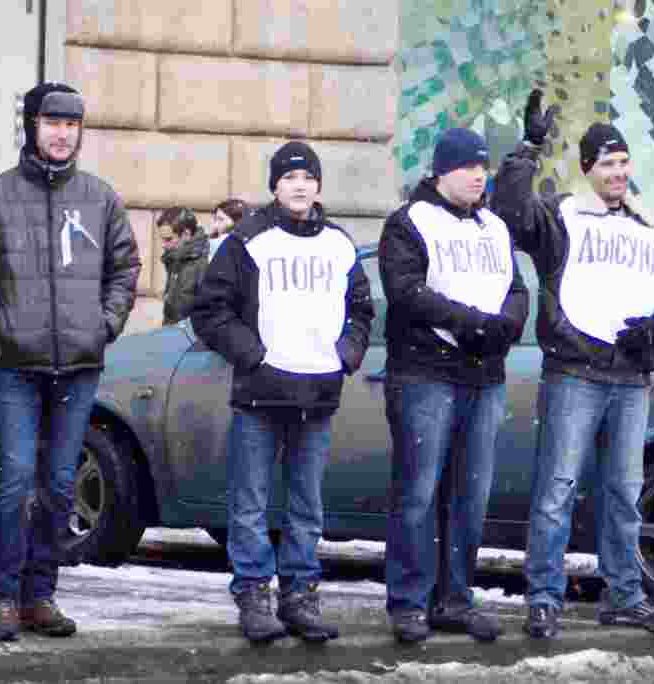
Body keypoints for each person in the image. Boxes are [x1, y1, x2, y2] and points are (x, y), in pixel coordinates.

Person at [492, 89, 654, 639]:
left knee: (624, 494)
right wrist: (527, 149)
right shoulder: (561, 217)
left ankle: (624, 596)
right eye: (607, 163)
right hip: (574, 373)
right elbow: (510, 213)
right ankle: (543, 598)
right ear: (587, 169)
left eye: (624, 161)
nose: (618, 172)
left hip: (631, 377)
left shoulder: (650, 226)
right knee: (556, 490)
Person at [0, 82, 141, 642]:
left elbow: (125, 269)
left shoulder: (100, 198)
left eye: (71, 124)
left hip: (78, 368)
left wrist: (103, 326)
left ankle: (39, 594)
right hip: (16, 366)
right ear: (32, 126)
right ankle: (2, 597)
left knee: (59, 485)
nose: (62, 133)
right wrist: (2, 327)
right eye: (52, 122)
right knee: (14, 480)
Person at [190, 141, 373, 644]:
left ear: (318, 185)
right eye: (290, 177)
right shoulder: (249, 239)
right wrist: (253, 355)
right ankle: (253, 595)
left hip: (318, 393)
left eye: (308, 177)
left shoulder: (338, 242)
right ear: (275, 186)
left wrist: (346, 354)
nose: (299, 186)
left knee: (306, 506)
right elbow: (210, 310)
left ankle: (299, 596)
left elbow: (361, 308)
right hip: (261, 393)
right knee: (249, 502)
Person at [379, 128, 528, 643]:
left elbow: (517, 289)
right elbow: (407, 292)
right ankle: (409, 603)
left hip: (483, 376)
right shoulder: (409, 222)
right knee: (418, 494)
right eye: (468, 167)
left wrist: (505, 325)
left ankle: (455, 600)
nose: (478, 176)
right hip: (426, 373)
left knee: (470, 497)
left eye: (483, 167)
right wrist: (471, 322)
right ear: (441, 171)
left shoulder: (495, 226)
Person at [158, 206, 209, 325]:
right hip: (173, 330)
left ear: (186, 234)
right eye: (162, 239)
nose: (163, 245)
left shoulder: (205, 262)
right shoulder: (175, 257)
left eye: (168, 239)